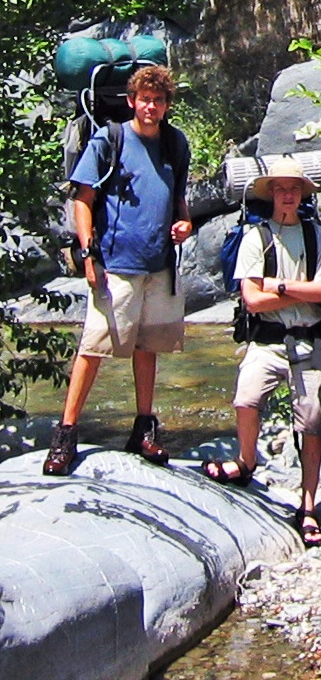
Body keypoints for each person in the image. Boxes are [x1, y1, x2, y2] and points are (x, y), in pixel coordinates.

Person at [44, 65, 192, 476]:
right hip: (117, 263)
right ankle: (66, 433)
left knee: (147, 346)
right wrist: (88, 253)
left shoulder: (174, 144)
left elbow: (177, 196)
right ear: (132, 101)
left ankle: (144, 428)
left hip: (159, 263)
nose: (151, 106)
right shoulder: (109, 139)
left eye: (158, 100)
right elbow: (83, 198)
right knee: (94, 347)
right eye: (145, 99)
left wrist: (185, 223)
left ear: (166, 105)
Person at [208, 158, 321, 547]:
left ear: (302, 195)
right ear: (272, 195)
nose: (287, 196)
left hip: (310, 339)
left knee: (312, 421)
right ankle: (247, 461)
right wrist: (301, 289)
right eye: (280, 190)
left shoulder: (318, 237)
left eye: (293, 189)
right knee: (246, 397)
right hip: (267, 340)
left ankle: (309, 505)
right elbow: (251, 299)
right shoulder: (256, 237)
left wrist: (279, 287)